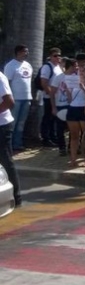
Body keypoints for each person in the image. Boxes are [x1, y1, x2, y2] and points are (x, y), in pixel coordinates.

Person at [3, 45, 33, 151]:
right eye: (25, 51)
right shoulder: (10, 65)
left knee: (21, 123)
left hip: (26, 98)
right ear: (19, 52)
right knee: (13, 122)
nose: (27, 53)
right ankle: (8, 145)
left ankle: (17, 144)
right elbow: (7, 83)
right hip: (15, 98)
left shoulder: (28, 65)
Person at [0, 70, 22, 207]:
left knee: (6, 160)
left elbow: (9, 102)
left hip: (2, 126)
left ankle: (16, 197)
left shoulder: (0, 77)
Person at [66, 65, 85, 167]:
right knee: (74, 136)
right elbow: (70, 99)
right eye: (80, 70)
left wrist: (83, 88)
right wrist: (68, 90)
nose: (81, 72)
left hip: (83, 109)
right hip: (73, 109)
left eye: (83, 71)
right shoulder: (74, 83)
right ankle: (73, 159)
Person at [39, 47, 63, 146]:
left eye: (59, 55)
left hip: (57, 98)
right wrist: (51, 95)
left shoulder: (58, 67)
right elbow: (44, 82)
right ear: (50, 57)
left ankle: (53, 137)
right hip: (49, 97)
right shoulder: (47, 67)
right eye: (55, 55)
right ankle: (46, 138)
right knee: (47, 118)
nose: (58, 57)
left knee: (53, 119)